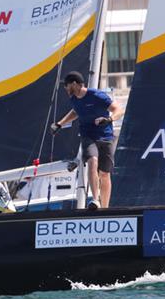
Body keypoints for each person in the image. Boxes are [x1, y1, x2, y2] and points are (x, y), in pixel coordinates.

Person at [50, 71, 123, 208]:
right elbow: (76, 111)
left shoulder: (96, 95)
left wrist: (108, 119)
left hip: (106, 136)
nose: (65, 89)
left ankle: (105, 208)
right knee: (92, 161)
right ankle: (95, 200)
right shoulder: (74, 99)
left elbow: (118, 109)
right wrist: (60, 124)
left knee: (105, 174)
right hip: (88, 136)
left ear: (74, 84)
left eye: (66, 86)